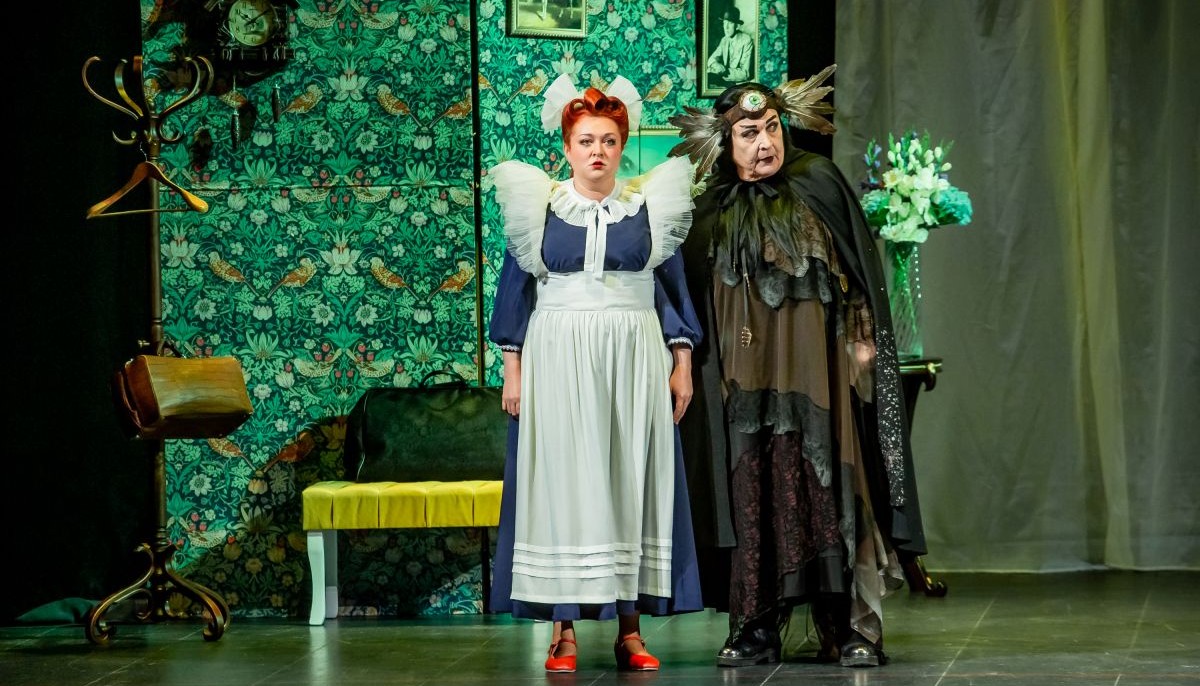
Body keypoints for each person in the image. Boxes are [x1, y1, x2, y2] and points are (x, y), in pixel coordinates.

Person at [669, 66, 928, 669]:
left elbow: (858, 267)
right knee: (751, 488)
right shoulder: (709, 209)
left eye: (772, 128)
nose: (765, 143)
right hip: (744, 378)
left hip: (820, 370)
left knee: (831, 480)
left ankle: (850, 627)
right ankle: (756, 627)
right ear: (725, 142)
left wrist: (864, 340)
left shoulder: (818, 181)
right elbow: (692, 298)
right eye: (749, 133)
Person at [487, 72, 704, 673]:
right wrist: (513, 369)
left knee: (628, 478)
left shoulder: (650, 206)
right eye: (586, 141)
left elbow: (671, 292)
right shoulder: (539, 206)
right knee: (565, 484)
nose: (598, 151)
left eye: (608, 140)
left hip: (633, 355)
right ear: (567, 148)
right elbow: (514, 291)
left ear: (622, 145)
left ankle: (630, 630)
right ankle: (563, 632)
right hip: (558, 354)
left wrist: (682, 363)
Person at [706, 6, 754, 87]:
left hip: (737, 83)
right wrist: (716, 64)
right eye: (724, 23)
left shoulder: (746, 40)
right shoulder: (724, 40)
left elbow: (745, 73)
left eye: (730, 23)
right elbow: (710, 59)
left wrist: (724, 71)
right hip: (724, 80)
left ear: (737, 26)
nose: (726, 27)